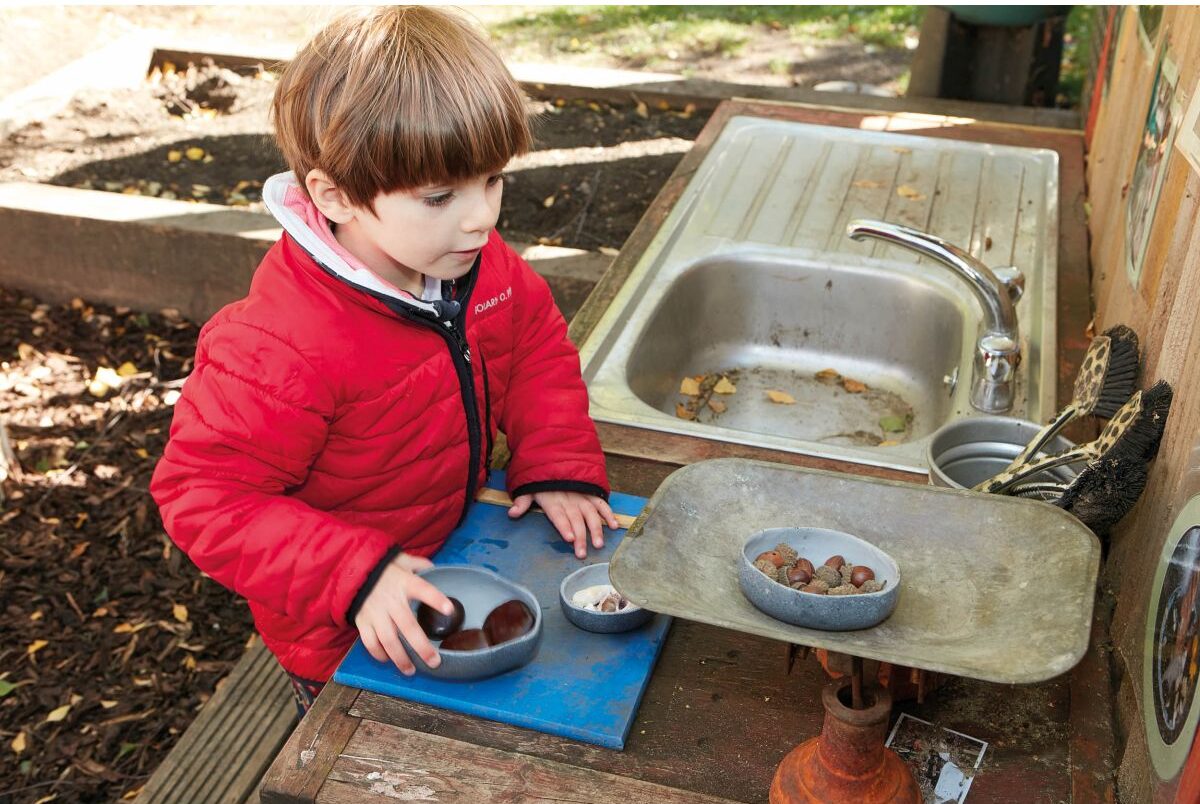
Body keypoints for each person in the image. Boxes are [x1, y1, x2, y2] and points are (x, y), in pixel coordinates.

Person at [150, 6, 617, 715]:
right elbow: (203, 497)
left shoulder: (478, 266)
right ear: (333, 195)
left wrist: (557, 460)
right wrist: (354, 576)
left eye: (491, 180)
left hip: (462, 553)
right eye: (439, 196)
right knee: (368, 759)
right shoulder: (281, 346)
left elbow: (535, 352)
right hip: (344, 629)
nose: (481, 218)